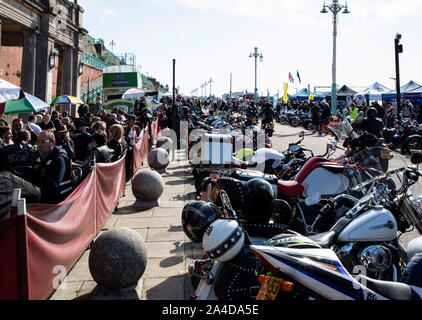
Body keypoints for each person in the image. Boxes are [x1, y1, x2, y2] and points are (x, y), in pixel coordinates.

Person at [32, 130, 73, 204]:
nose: (39, 145)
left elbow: (52, 186)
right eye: (38, 142)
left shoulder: (59, 159)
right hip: (44, 197)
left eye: (43, 142)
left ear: (53, 143)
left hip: (58, 202)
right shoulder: (40, 156)